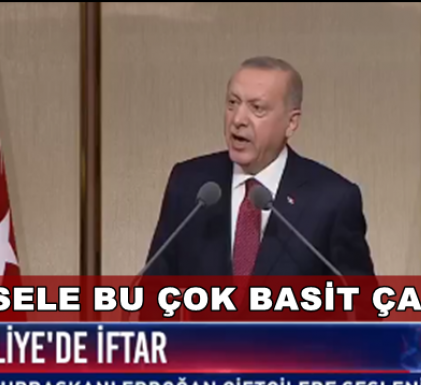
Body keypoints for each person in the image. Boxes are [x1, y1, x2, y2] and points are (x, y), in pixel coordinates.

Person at [145, 56, 375, 281]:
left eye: (257, 108)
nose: (238, 119)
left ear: (291, 123)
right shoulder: (190, 184)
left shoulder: (332, 200)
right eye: (232, 103)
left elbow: (361, 302)